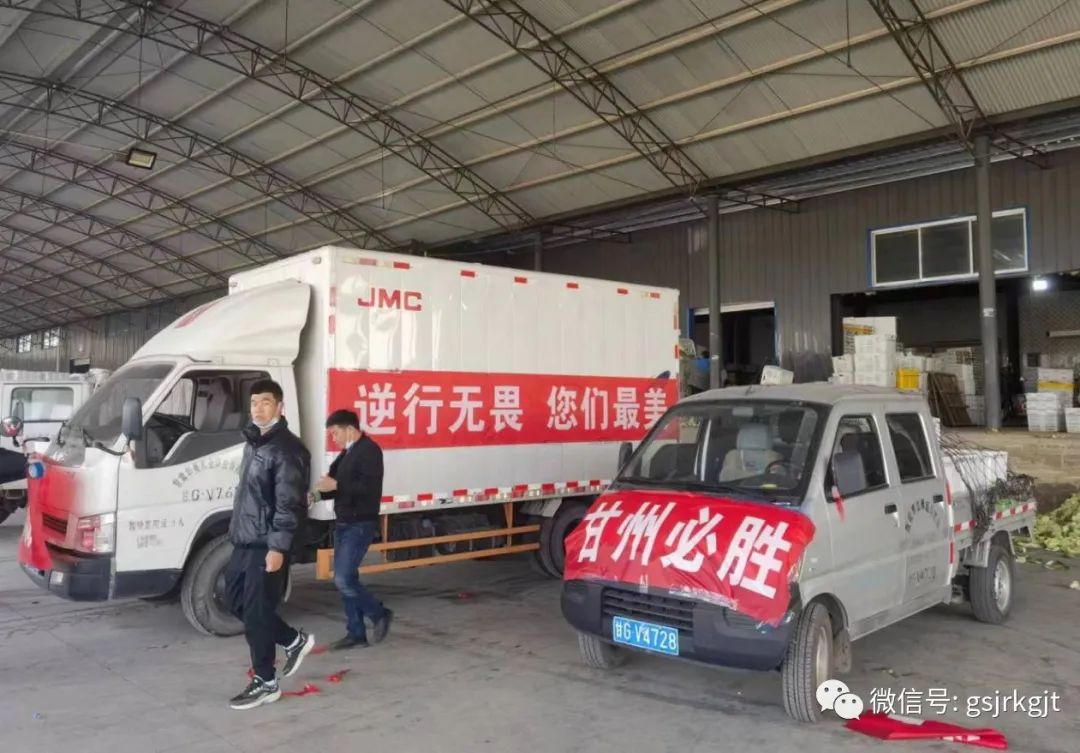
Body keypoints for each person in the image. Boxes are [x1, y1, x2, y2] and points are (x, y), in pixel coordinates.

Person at [224, 379, 315, 710]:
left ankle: (265, 681)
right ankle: (292, 640)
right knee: (233, 601)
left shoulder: (287, 449)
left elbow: (288, 504)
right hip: (245, 539)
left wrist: (277, 548)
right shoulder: (254, 443)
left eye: (265, 402)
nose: (258, 408)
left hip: (266, 543)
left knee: (257, 612)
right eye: (253, 403)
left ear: (279, 407)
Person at [314, 408, 393, 650]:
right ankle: (356, 633)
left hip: (360, 523)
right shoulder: (346, 454)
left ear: (349, 429)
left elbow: (367, 489)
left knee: (344, 579)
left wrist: (336, 484)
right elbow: (335, 486)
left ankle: (379, 613)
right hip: (343, 522)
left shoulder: (370, 451)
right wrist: (315, 495)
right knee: (347, 579)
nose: (333, 438)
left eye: (335, 433)